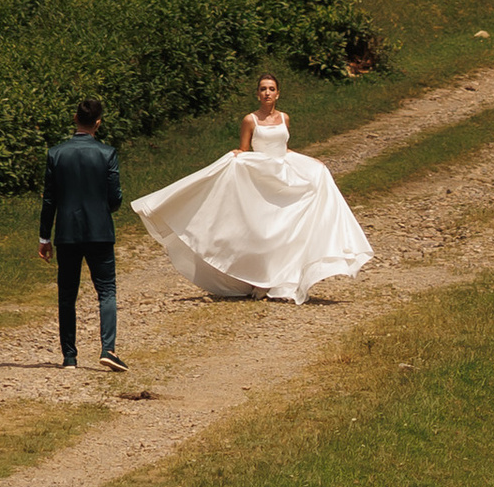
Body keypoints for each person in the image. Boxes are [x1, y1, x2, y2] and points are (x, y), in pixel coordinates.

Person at [130, 73, 373, 303]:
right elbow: (245, 149)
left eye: (272, 89)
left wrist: (312, 163)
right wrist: (236, 157)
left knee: (288, 225)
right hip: (260, 177)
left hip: (283, 174)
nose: (267, 93)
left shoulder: (285, 118)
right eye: (263, 89)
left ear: (278, 94)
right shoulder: (250, 119)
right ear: (257, 94)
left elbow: (284, 148)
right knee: (263, 230)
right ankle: (258, 279)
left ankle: (283, 277)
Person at [39, 96, 125, 370]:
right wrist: (103, 209)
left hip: (67, 233)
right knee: (107, 291)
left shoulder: (56, 153)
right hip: (100, 230)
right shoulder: (107, 153)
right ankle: (108, 349)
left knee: (67, 294)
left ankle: (69, 357)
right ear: (98, 123)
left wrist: (44, 237)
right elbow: (116, 198)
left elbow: (49, 199)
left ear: (75, 119)